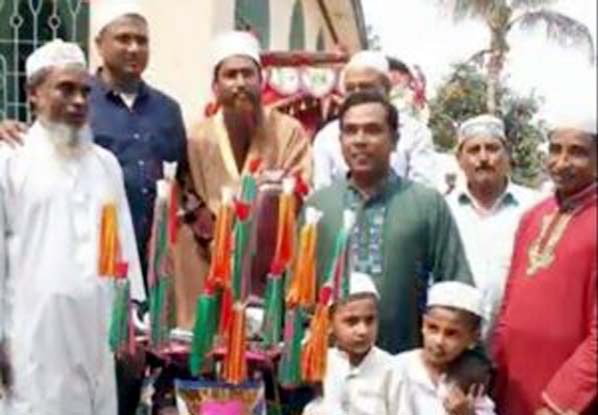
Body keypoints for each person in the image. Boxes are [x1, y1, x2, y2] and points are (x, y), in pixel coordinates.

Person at [0, 4, 187, 412]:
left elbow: (123, 246)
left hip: (99, 330)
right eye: (64, 89)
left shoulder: (103, 164)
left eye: (85, 90)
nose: (78, 100)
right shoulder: (9, 162)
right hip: (35, 335)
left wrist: (132, 324)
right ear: (33, 94)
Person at [307, 90, 473, 354]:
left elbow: (456, 290)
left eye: (372, 130)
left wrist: (462, 361)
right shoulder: (317, 207)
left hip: (406, 369)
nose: (360, 140)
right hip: (328, 371)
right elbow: (295, 292)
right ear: (340, 141)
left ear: (394, 140)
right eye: (351, 131)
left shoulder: (427, 204)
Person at [175, 31, 312, 329]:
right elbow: (183, 192)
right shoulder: (196, 138)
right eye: (230, 75)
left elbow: (298, 191)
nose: (239, 83)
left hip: (268, 270)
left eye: (247, 74)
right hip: (207, 264)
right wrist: (215, 235)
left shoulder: (289, 132)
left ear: (261, 80)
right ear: (215, 85)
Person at [493, 106, 597, 414]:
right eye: (555, 150)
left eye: (577, 152)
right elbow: (507, 308)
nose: (562, 162)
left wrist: (561, 401)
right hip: (512, 388)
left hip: (568, 399)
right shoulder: (532, 217)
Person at [447, 115, 538, 338]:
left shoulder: (534, 207)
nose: (484, 158)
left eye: (492, 148)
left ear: (507, 156)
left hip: (519, 339)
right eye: (474, 150)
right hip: (456, 346)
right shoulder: (443, 210)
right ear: (459, 159)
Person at [312, 50, 436, 190]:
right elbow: (322, 192)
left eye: (366, 87)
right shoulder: (326, 137)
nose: (357, 94)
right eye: (350, 88)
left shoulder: (415, 133)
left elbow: (423, 190)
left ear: (387, 89)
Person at [303, 272, 404, 415]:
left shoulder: (391, 369)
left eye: (370, 320)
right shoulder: (321, 362)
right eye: (351, 321)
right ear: (330, 323)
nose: (363, 331)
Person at [393, 281, 496, 414]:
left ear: (472, 338)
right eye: (433, 328)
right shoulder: (397, 369)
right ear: (423, 325)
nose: (439, 341)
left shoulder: (472, 381)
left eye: (451, 333)